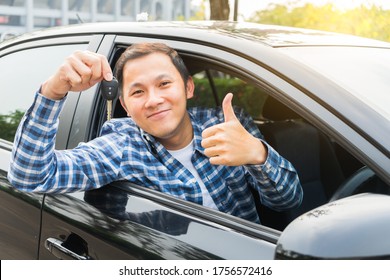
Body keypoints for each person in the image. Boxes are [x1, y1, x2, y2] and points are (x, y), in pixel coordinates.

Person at [8, 42, 302, 224]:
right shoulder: (121, 147)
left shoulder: (227, 123)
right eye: (138, 92)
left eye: (164, 84)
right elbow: (29, 176)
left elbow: (287, 201)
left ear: (188, 87)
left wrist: (258, 155)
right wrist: (54, 91)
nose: (153, 100)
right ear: (125, 104)